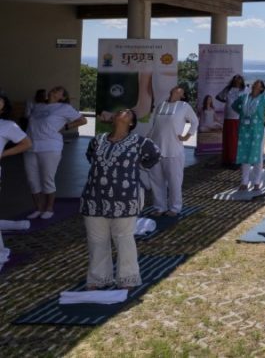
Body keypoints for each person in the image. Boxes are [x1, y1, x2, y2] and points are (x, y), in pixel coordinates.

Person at [80, 109, 160, 289]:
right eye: (118, 111)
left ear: (131, 123)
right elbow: (90, 157)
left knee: (124, 239)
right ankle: (99, 279)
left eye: (125, 112)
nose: (119, 113)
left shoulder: (140, 142)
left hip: (124, 199)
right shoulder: (98, 140)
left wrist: (134, 170)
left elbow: (154, 156)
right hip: (94, 197)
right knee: (97, 240)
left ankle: (128, 279)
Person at [25, 86, 86, 219]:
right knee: (32, 179)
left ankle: (49, 208)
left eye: (59, 90)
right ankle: (38, 208)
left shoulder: (64, 107)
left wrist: (65, 127)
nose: (54, 89)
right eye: (54, 88)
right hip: (30, 146)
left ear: (62, 97)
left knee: (47, 179)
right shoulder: (38, 106)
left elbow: (83, 120)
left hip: (50, 146)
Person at [148, 84, 199, 217]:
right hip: (156, 147)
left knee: (174, 181)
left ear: (183, 95)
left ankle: (175, 208)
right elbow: (155, 125)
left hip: (174, 149)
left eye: (180, 89)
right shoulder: (161, 105)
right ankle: (160, 207)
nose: (177, 89)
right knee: (156, 180)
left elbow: (195, 121)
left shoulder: (184, 106)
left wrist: (187, 136)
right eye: (176, 88)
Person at [0, 95, 32, 256]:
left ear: (3, 108)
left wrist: (3, 153)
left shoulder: (7, 125)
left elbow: (26, 143)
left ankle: (1, 253)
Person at [231, 79, 265, 191]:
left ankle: (256, 182)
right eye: (254, 84)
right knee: (244, 154)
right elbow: (234, 105)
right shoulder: (244, 97)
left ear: (261, 88)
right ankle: (244, 182)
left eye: (258, 85)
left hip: (258, 130)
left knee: (257, 155)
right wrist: (242, 113)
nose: (255, 85)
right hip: (244, 129)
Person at [216, 75, 247, 167]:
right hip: (228, 117)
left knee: (236, 139)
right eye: (235, 79)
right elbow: (218, 97)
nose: (237, 81)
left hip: (238, 117)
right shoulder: (228, 89)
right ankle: (227, 159)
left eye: (239, 79)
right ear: (233, 80)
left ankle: (235, 159)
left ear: (242, 81)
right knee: (227, 138)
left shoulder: (245, 89)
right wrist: (226, 102)